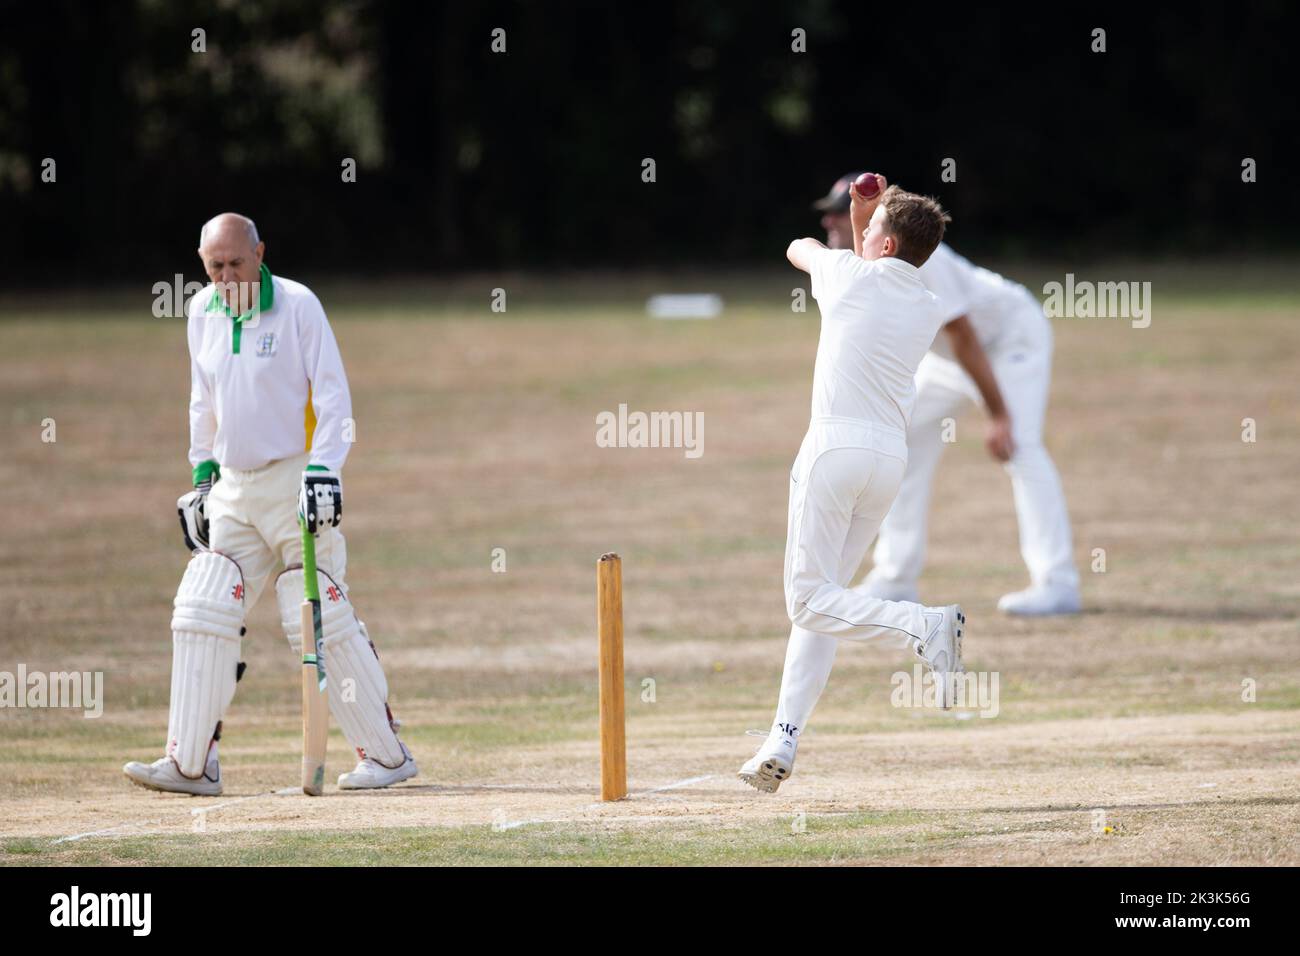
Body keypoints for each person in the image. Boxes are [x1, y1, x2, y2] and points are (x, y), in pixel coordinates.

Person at [123, 213, 418, 796]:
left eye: (236, 262)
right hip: (232, 488)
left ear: (260, 253)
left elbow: (334, 396)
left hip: (294, 481)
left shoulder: (298, 305)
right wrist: (202, 474)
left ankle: (386, 756)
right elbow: (200, 399)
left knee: (317, 616)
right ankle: (192, 764)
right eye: (214, 267)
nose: (226, 276)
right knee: (203, 609)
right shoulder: (202, 311)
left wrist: (324, 472)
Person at [740, 179, 964, 794]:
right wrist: (873, 218)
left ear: (884, 244)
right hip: (887, 459)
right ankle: (783, 737)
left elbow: (797, 247)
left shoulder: (844, 274)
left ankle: (923, 627)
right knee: (826, 601)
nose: (856, 231)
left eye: (866, 228)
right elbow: (875, 257)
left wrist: (857, 225)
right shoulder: (925, 300)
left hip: (835, 450)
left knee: (807, 602)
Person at [813, 174, 1080, 616]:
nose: (829, 220)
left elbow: (964, 335)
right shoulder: (868, 256)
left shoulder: (913, 251)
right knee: (905, 437)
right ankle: (896, 576)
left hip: (1008, 338)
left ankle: (1058, 582)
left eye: (838, 211)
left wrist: (998, 416)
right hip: (952, 356)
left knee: (1020, 447)